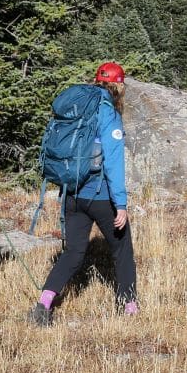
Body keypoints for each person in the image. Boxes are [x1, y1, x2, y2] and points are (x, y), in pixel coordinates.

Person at [28, 61, 139, 325]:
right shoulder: (108, 113)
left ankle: (44, 302)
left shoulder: (79, 107)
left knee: (73, 253)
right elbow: (112, 162)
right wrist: (120, 204)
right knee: (122, 250)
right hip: (100, 197)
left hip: (72, 193)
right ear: (118, 85)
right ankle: (130, 307)